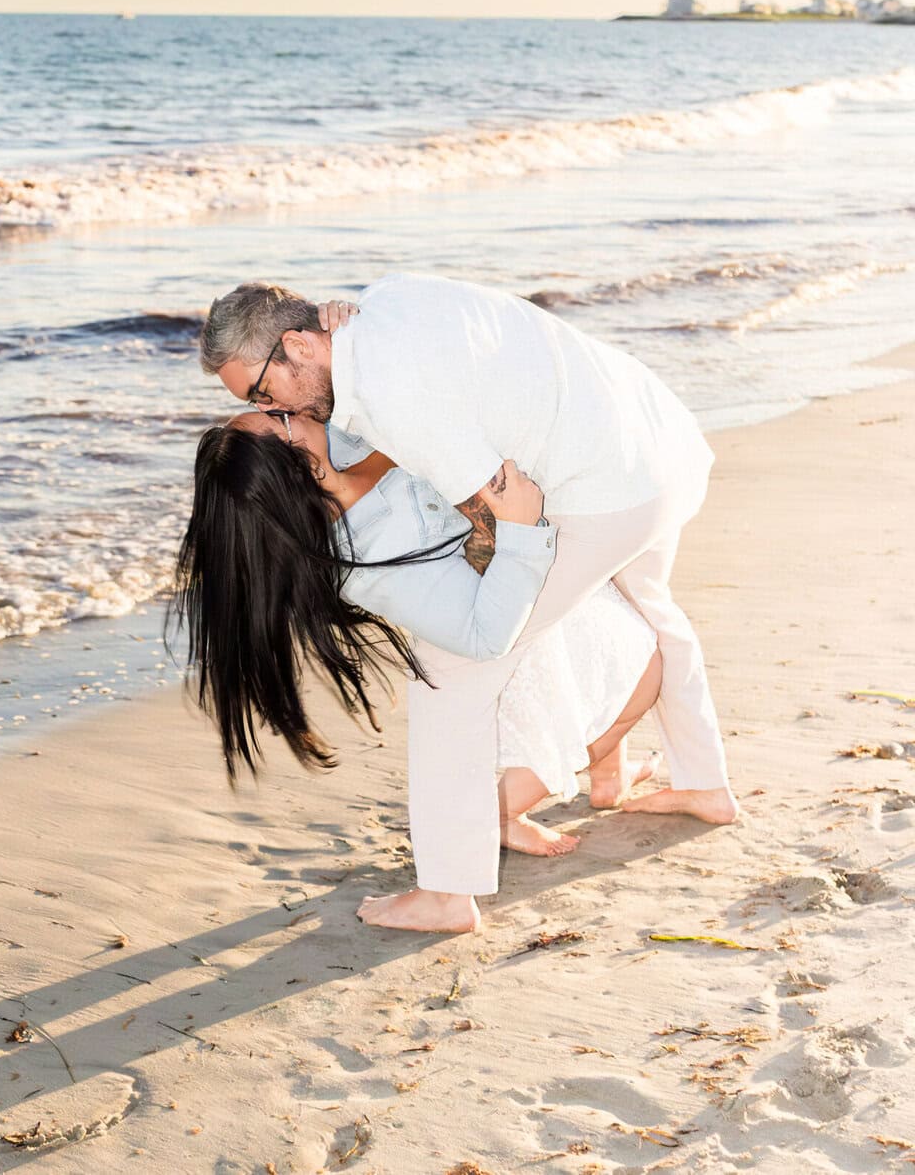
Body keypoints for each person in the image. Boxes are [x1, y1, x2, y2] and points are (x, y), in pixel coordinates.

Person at [198, 275, 738, 894]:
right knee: (644, 610)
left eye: (266, 395)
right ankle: (701, 781)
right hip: (653, 434)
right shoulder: (385, 302)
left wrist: (516, 533)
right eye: (263, 408)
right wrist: (344, 318)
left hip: (611, 489)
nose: (275, 410)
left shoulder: (373, 406)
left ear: (298, 344)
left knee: (449, 676)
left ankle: (448, 890)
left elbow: (499, 518)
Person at [172, 407, 666, 933]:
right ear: (302, 466)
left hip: (520, 572)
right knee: (637, 680)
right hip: (509, 590)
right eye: (277, 416)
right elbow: (485, 631)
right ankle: (500, 814)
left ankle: (608, 776)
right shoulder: (364, 558)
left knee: (612, 657)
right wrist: (520, 528)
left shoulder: (340, 450)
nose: (286, 406)